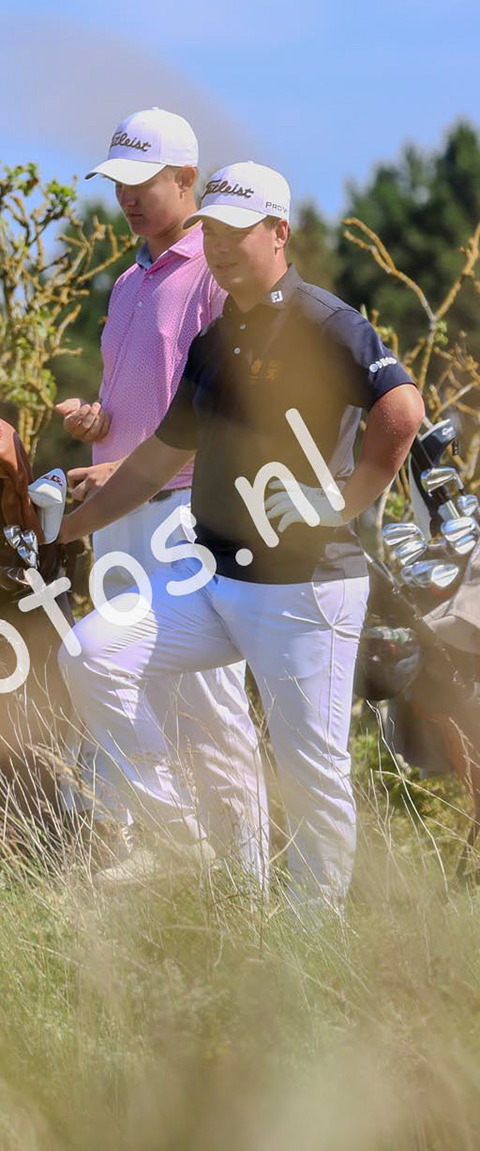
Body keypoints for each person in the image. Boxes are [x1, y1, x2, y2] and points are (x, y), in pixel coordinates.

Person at [57, 161, 425, 909]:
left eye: (236, 233)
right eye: (210, 233)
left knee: (310, 772)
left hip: (305, 585)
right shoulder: (217, 340)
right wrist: (67, 528)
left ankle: (308, 948)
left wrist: (344, 500)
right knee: (92, 652)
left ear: (278, 232)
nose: (219, 248)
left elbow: (403, 411)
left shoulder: (326, 321)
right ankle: (181, 838)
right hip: (214, 577)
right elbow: (155, 460)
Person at [55, 108, 261, 882]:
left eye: (144, 184)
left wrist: (133, 463)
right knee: (122, 683)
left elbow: (235, 408)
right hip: (120, 517)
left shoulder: (214, 273)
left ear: (186, 181)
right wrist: (99, 420)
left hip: (185, 513)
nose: (128, 199)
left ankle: (246, 886)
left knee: (207, 704)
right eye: (119, 185)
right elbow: (148, 399)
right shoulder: (130, 280)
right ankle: (185, 857)